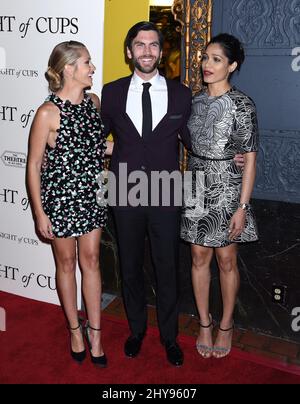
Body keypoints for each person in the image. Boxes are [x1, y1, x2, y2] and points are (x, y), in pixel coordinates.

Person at [101, 21, 192, 367]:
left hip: (166, 191)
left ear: (161, 51)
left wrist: (230, 153)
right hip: (124, 190)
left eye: (154, 45)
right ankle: (136, 330)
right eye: (140, 45)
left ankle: (170, 337)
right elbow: (98, 138)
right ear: (129, 51)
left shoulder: (181, 93)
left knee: (167, 266)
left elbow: (195, 142)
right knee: (130, 265)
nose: (147, 51)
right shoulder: (110, 92)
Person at [27, 41, 113, 367]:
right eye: (87, 63)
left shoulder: (93, 102)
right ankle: (75, 330)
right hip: (60, 199)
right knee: (66, 264)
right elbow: (34, 164)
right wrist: (39, 212)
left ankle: (96, 334)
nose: (92, 68)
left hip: (91, 193)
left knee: (91, 261)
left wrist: (143, 147)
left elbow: (99, 148)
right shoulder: (48, 113)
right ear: (69, 69)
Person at [181, 33, 259, 359]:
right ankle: (203, 322)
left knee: (227, 260)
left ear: (232, 65)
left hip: (228, 185)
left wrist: (242, 207)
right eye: (205, 57)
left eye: (216, 59)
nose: (206, 65)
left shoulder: (243, 104)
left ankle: (225, 324)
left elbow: (251, 158)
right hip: (196, 181)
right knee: (198, 257)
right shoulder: (192, 101)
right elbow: (184, 140)